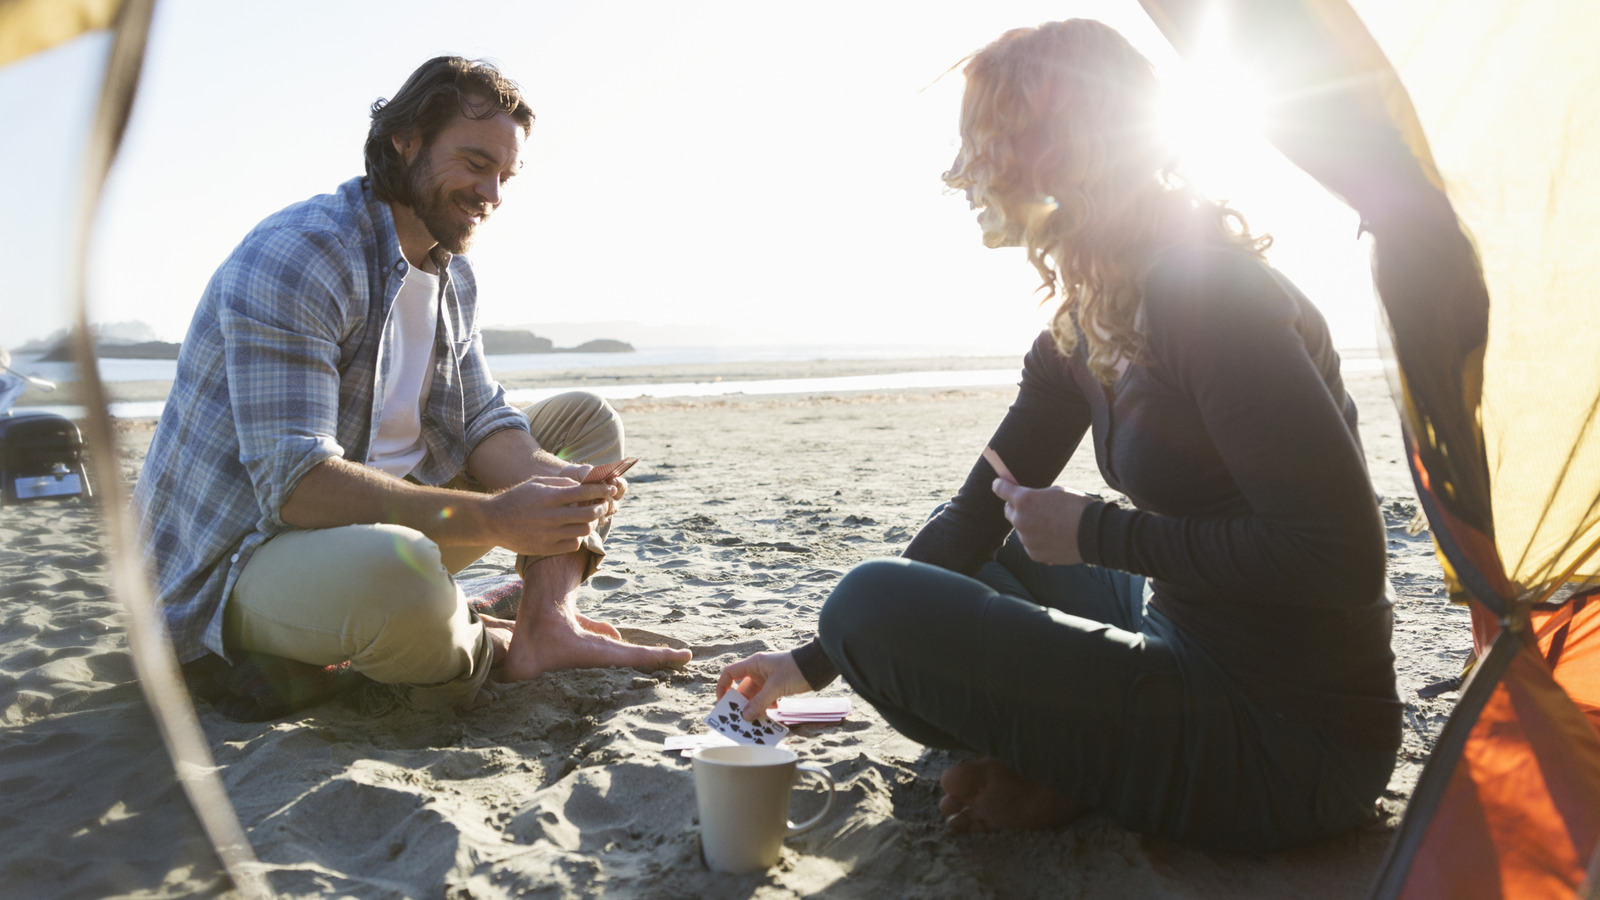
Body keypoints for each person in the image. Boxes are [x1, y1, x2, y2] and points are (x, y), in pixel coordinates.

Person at [718, 20, 1400, 850]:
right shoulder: (1094, 316)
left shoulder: (1208, 292)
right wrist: (808, 661)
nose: (965, 174)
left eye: (985, 145)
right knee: (976, 549)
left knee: (868, 601)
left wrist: (1096, 532)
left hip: (1285, 741)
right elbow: (976, 512)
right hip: (1175, 628)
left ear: (1055, 152)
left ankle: (1068, 771)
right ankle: (1065, 765)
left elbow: (1340, 558)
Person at [135, 57, 689, 706]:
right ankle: (490, 642)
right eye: (476, 164)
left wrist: (558, 483)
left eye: (506, 176)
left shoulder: (450, 272)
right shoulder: (302, 256)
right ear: (407, 141)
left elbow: (482, 421)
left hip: (384, 530)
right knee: (404, 581)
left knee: (583, 426)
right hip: (244, 563)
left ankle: (546, 621)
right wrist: (496, 518)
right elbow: (295, 485)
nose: (494, 195)